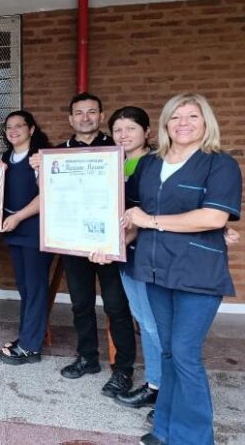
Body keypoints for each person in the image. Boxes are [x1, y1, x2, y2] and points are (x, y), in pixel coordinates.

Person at [123, 94, 241, 445]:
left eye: (193, 116)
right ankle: (165, 428)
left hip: (197, 272)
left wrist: (152, 221)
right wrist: (110, 244)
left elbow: (213, 216)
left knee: (185, 353)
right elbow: (129, 213)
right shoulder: (149, 163)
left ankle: (193, 439)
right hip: (156, 270)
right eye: (176, 116)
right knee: (169, 350)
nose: (183, 123)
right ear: (165, 124)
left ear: (206, 122)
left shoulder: (219, 164)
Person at [32, 93, 136, 397]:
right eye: (79, 113)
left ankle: (123, 369)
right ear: (70, 119)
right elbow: (49, 195)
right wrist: (40, 169)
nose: (86, 117)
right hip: (75, 243)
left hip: (110, 243)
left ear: (101, 116)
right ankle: (88, 357)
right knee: (81, 304)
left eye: (92, 112)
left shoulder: (118, 149)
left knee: (117, 307)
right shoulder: (56, 154)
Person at [105, 107, 161, 409]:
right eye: (118, 130)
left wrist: (121, 240)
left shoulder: (154, 165)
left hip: (146, 255)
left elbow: (150, 213)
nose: (123, 135)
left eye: (131, 129)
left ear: (147, 132)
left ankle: (163, 388)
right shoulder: (113, 164)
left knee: (153, 324)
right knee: (143, 320)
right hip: (123, 255)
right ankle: (155, 385)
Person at [0, 111, 52, 364]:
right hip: (14, 229)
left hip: (35, 229)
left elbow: (47, 196)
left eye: (20, 126)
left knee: (36, 287)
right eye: (9, 127)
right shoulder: (6, 157)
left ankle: (31, 346)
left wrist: (19, 217)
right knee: (25, 287)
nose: (14, 130)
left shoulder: (41, 157)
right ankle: (27, 335)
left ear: (31, 129)